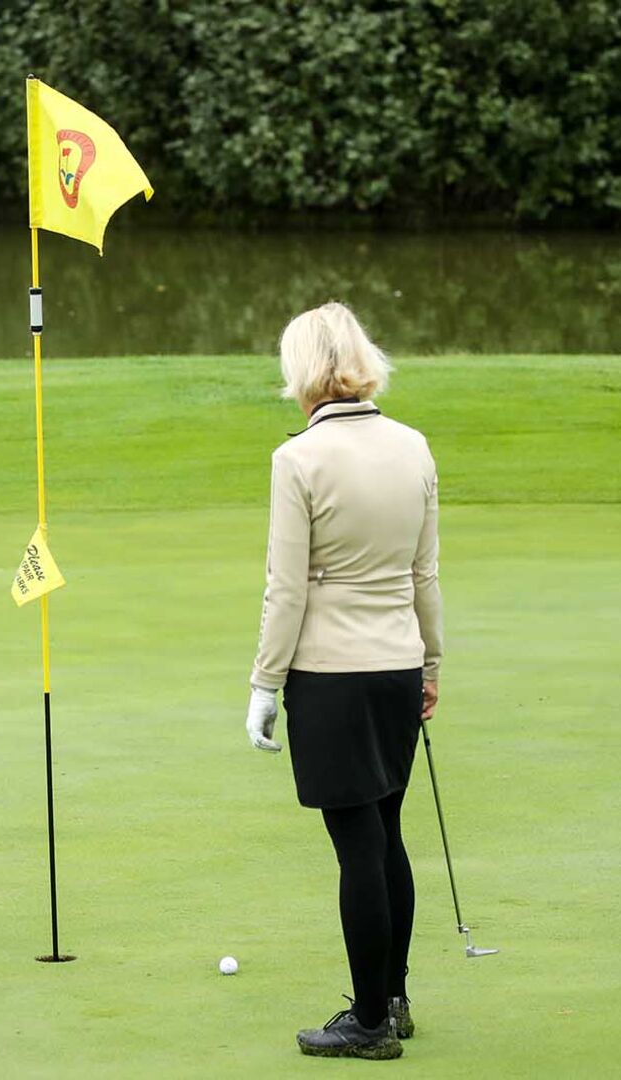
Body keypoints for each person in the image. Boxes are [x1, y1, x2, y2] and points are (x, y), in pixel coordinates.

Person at [245, 302, 442, 1059]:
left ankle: (367, 1023)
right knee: (386, 834)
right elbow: (424, 575)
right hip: (396, 668)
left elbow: (285, 587)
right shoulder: (412, 446)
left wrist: (264, 683)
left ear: (300, 370)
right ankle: (391, 999)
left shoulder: (296, 458)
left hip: (330, 678)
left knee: (358, 845)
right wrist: (430, 665)